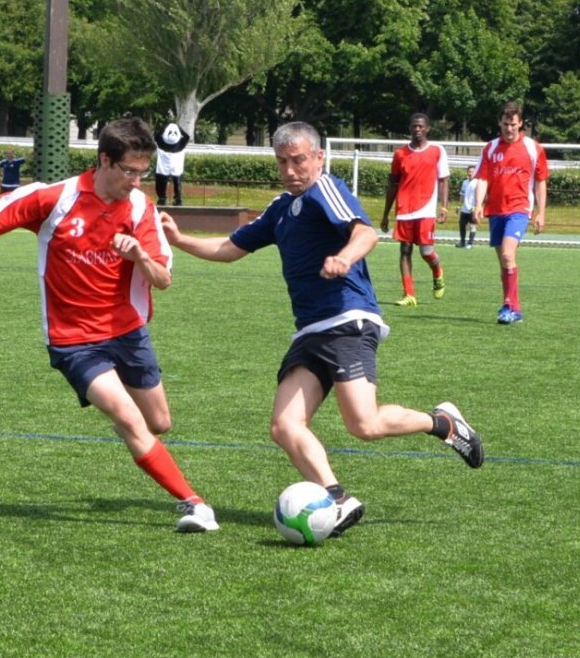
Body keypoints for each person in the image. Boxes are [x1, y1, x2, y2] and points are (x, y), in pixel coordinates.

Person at [161, 122, 483, 539]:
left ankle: (442, 422)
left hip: (348, 319)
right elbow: (230, 249)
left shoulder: (324, 190)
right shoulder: (280, 208)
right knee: (284, 425)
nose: (291, 169)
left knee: (363, 425)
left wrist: (345, 258)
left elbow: (365, 232)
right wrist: (179, 239)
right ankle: (337, 497)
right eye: (282, 162)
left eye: (299, 160)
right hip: (311, 330)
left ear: (318, 158)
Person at [0, 117, 218, 533]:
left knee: (159, 422)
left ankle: (130, 427)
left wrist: (140, 258)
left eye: (141, 172)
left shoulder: (140, 208)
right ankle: (195, 504)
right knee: (130, 419)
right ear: (104, 160)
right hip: (72, 340)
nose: (135, 181)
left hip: (128, 332)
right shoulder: (55, 199)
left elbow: (163, 281)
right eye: (128, 171)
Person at [475, 102, 548, 325]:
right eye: (506, 124)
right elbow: (483, 178)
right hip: (495, 211)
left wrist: (541, 212)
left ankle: (508, 306)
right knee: (504, 262)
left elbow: (540, 181)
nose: (509, 129)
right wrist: (478, 204)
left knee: (508, 255)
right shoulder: (490, 148)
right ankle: (514, 307)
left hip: (519, 209)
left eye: (513, 125)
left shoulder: (533, 148)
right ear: (500, 123)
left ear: (521, 124)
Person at [380, 113, 449, 307]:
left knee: (426, 251)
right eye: (413, 126)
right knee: (405, 250)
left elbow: (443, 180)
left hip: (426, 208)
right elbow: (392, 184)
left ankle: (437, 271)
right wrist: (385, 214)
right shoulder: (400, 154)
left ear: (427, 128)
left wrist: (444, 206)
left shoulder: (437, 150)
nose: (417, 129)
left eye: (420, 126)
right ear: (409, 129)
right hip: (404, 209)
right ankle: (409, 294)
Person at [154, 122, 190, 206]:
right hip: (176, 166)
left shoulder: (161, 143)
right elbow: (187, 137)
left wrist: (165, 127)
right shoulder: (181, 144)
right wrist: (179, 128)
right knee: (177, 182)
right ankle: (178, 199)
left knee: (161, 182)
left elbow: (156, 136)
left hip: (163, 166)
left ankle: (162, 198)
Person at [457, 165, 479, 248]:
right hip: (464, 208)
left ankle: (470, 243)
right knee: (462, 225)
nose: (470, 173)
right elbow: (462, 195)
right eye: (469, 171)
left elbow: (479, 196)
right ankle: (462, 242)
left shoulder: (477, 182)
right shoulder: (465, 182)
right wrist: (459, 205)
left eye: (472, 172)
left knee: (472, 226)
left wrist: (477, 207)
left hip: (473, 208)